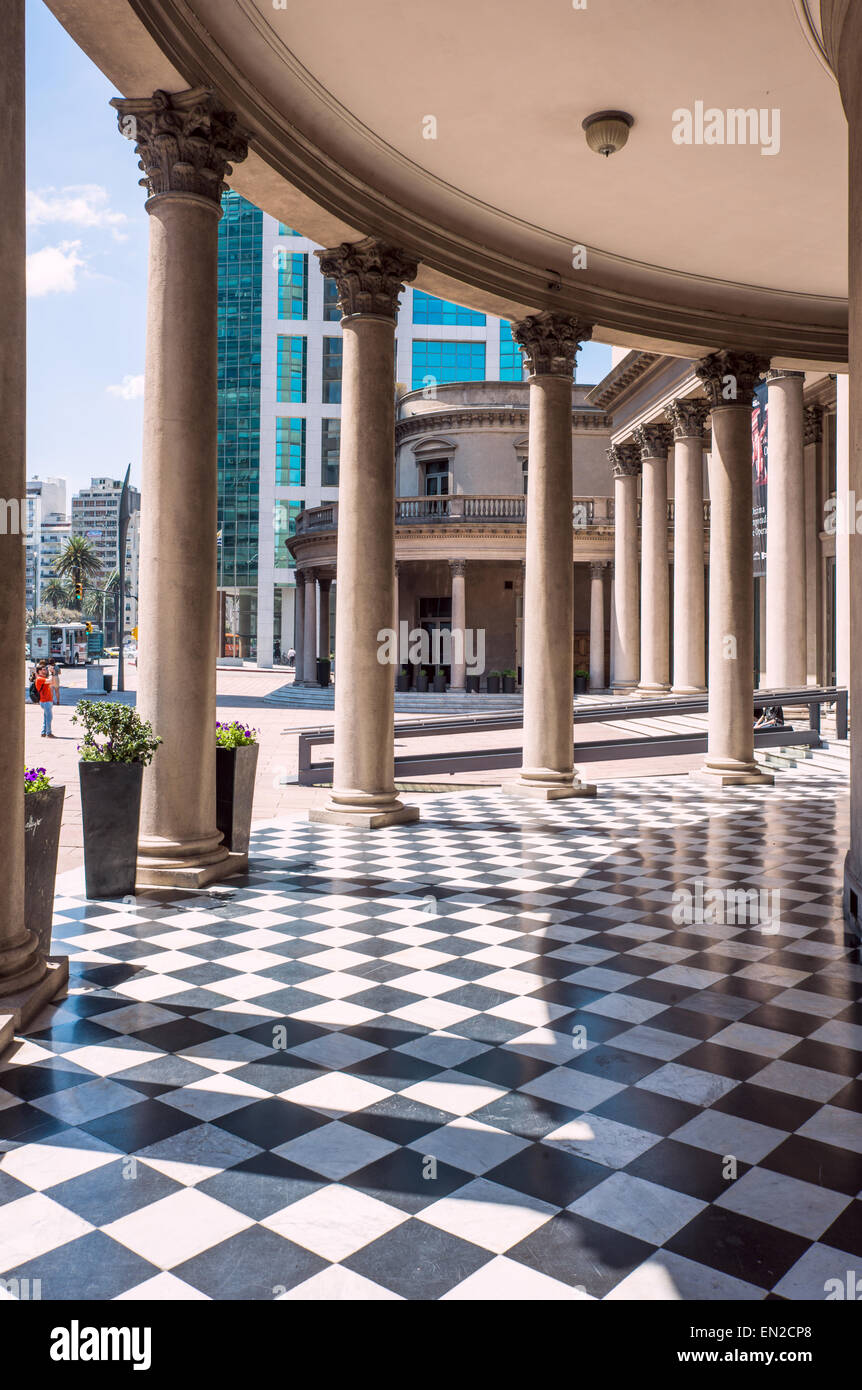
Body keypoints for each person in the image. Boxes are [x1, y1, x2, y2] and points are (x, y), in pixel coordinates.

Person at [35, 662, 55, 737]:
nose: (45, 671)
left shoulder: (43, 678)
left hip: (47, 701)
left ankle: (43, 732)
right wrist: (51, 673)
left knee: (46, 718)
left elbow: (51, 682)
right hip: (46, 701)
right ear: (39, 671)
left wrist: (51, 673)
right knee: (49, 718)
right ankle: (48, 733)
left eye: (45, 670)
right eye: (43, 670)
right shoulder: (39, 679)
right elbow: (50, 681)